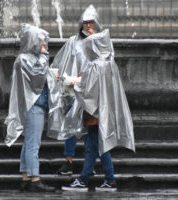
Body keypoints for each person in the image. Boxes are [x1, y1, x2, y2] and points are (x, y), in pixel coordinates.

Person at [61, 28, 135, 192]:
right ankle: (107, 180)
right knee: (99, 146)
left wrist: (69, 81)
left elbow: (86, 89)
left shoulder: (95, 66)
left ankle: (85, 179)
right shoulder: (109, 64)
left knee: (93, 146)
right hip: (105, 112)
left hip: (94, 113)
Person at [4, 24, 62, 192]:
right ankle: (35, 179)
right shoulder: (24, 59)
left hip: (36, 107)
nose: (45, 45)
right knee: (33, 144)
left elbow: (43, 77)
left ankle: (25, 178)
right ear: (33, 42)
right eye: (42, 42)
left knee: (29, 143)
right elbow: (37, 78)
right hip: (33, 106)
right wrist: (45, 59)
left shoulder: (32, 59)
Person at [51, 4, 102, 176]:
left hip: (90, 92)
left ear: (96, 24)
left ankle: (90, 163)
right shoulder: (73, 42)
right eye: (85, 23)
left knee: (90, 129)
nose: (88, 26)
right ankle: (69, 161)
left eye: (91, 23)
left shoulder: (100, 42)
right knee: (71, 125)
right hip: (73, 88)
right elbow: (59, 62)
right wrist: (62, 80)